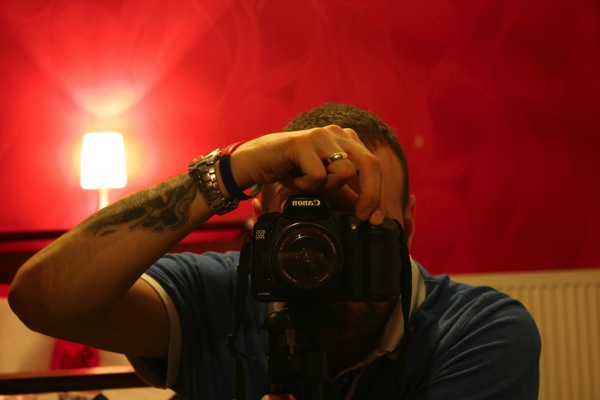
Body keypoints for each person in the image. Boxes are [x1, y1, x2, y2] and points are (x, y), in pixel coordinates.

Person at [8, 103, 541, 399]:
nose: (328, 250)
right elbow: (40, 300)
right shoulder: (222, 296)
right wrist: (229, 170)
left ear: (409, 224)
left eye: (361, 221)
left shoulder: (478, 331)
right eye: (303, 225)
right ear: (260, 224)